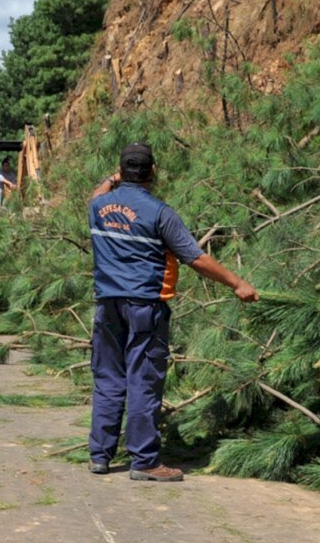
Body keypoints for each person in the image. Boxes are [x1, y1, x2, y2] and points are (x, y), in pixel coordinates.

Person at [88, 143, 259, 482]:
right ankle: (145, 462)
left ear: (121, 172)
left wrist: (112, 178)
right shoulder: (159, 213)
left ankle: (100, 456)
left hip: (106, 305)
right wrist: (237, 282)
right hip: (145, 306)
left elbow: (97, 192)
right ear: (152, 172)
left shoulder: (98, 207)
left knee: (108, 379)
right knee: (143, 382)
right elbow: (195, 258)